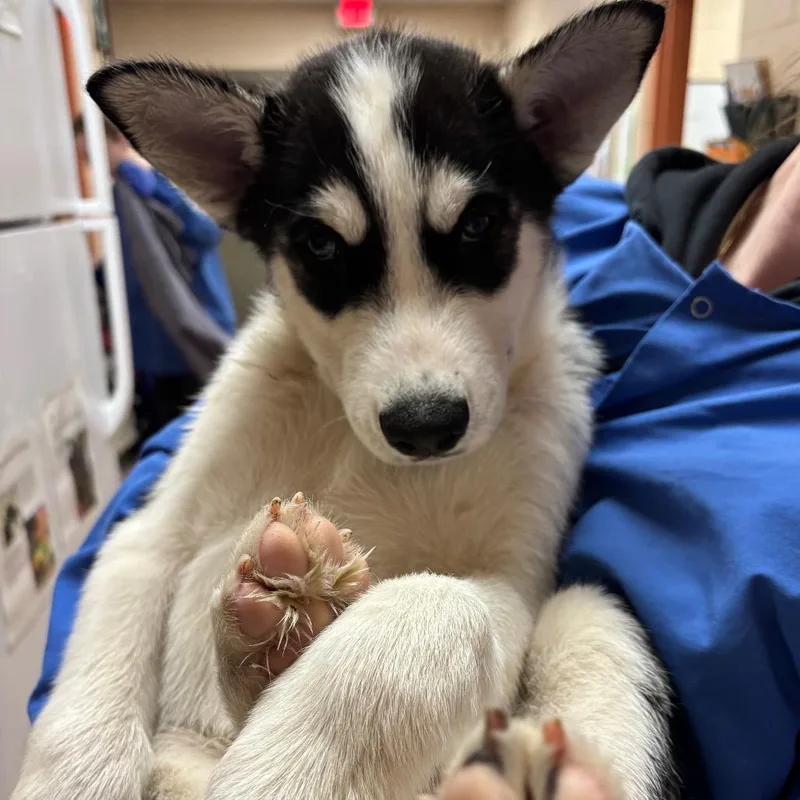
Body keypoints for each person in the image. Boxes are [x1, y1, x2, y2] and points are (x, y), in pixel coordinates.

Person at [29, 135, 800, 800]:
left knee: (587, 629)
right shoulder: (572, 206)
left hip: (504, 706)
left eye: (472, 232)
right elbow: (147, 525)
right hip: (208, 724)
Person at [74, 117, 238, 444]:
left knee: (211, 437)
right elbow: (129, 262)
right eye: (86, 159)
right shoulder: (121, 197)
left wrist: (153, 183)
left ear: (118, 138)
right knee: (171, 442)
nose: (95, 166)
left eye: (94, 154)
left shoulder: (160, 179)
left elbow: (206, 232)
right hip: (157, 346)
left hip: (196, 328)